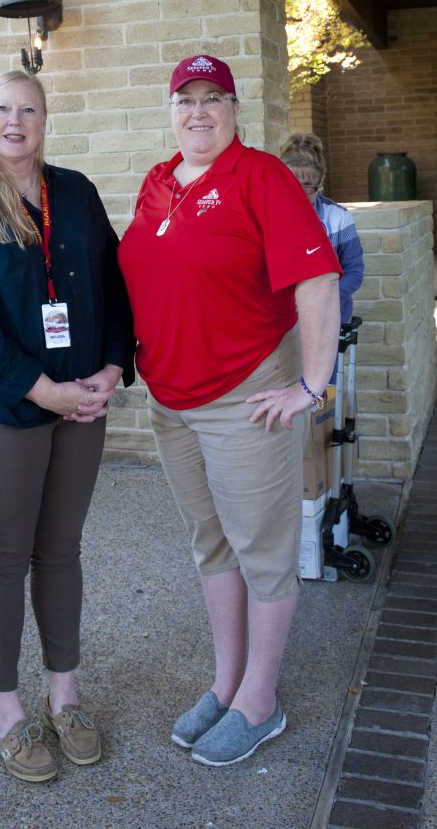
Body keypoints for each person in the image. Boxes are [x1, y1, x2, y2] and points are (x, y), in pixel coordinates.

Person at [117, 55, 342, 767]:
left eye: (214, 99)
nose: (199, 112)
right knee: (210, 543)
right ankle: (226, 684)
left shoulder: (263, 178)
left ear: (236, 110)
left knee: (262, 550)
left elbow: (317, 279)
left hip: (244, 395)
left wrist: (310, 385)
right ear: (171, 110)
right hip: (171, 399)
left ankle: (260, 701)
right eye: (186, 99)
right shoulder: (158, 182)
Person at [0, 69, 134, 783]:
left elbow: (115, 282)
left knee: (63, 550)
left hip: (82, 401)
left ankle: (65, 698)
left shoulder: (74, 193)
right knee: (5, 555)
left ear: (45, 119)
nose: (15, 122)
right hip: (3, 406)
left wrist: (113, 366)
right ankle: (7, 711)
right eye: (2, 110)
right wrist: (40, 389)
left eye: (28, 110)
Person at [280, 133, 365, 327]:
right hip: (282, 320)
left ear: (321, 182)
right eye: (290, 184)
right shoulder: (266, 216)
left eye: (308, 185)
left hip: (329, 316)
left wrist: (322, 299)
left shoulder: (338, 218)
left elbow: (354, 271)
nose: (298, 193)